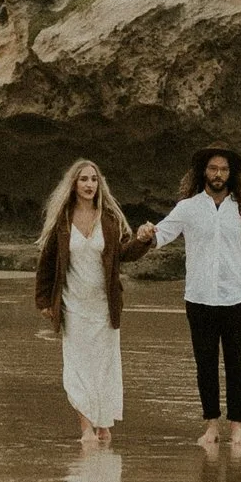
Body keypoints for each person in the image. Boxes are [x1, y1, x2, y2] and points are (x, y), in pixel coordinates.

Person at [132, 145, 241, 451]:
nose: (218, 175)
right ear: (203, 171)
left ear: (232, 174)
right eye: (213, 169)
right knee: (205, 365)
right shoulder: (189, 207)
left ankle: (237, 430)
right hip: (199, 299)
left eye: (224, 170)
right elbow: (161, 235)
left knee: (237, 366)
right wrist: (145, 232)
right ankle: (210, 427)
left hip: (234, 299)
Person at [32, 158, 150, 446]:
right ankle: (87, 428)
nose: (89, 184)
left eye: (94, 179)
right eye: (83, 179)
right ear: (74, 184)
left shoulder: (108, 219)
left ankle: (104, 426)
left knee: (105, 368)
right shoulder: (62, 221)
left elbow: (125, 254)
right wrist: (44, 300)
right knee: (78, 368)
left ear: (100, 185)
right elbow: (46, 264)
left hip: (104, 307)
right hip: (73, 307)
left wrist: (143, 239)